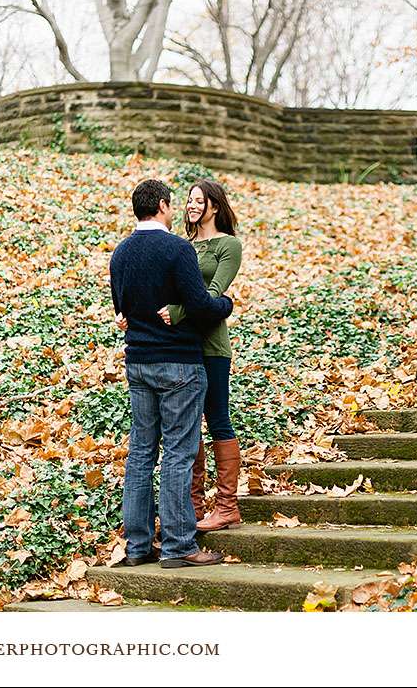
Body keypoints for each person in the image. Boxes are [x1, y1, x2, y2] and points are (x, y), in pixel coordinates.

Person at [108, 178, 232, 568]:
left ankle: (138, 546)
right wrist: (224, 304)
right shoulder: (178, 249)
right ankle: (179, 546)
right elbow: (197, 303)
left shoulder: (120, 253)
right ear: (162, 206)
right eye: (171, 204)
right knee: (178, 454)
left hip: (138, 362)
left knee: (141, 454)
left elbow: (121, 308)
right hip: (179, 362)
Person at [158, 179, 243, 532]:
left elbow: (211, 294)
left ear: (215, 206)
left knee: (217, 418)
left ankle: (227, 506)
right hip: (181, 346)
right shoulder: (182, 246)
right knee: (187, 424)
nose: (191, 205)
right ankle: (193, 506)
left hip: (211, 346)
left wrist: (178, 312)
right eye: (189, 200)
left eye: (198, 200)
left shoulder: (229, 245)